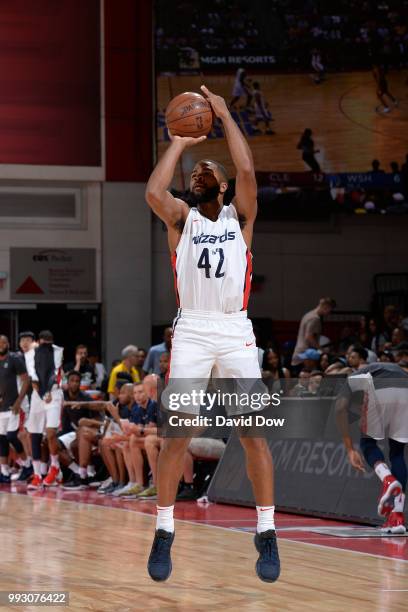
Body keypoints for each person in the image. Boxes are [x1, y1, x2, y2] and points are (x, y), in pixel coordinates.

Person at [145, 84, 280, 583]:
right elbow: (153, 193)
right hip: (194, 331)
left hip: (235, 331)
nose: (204, 171)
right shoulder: (180, 219)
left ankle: (266, 532)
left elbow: (246, 170)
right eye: (199, 171)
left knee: (253, 436)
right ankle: (164, 530)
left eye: (211, 171)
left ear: (221, 188)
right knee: (176, 434)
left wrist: (222, 115)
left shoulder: (239, 217)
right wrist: (180, 140)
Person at [336, 362, 408, 533]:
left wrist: (349, 450)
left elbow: (340, 409)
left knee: (367, 442)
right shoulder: (381, 369)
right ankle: (396, 519)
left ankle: (388, 480)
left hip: (381, 387)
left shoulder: (352, 380)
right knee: (397, 453)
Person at [25, 330, 64, 489]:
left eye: (50, 342)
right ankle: (37, 475)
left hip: (53, 393)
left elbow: (54, 374)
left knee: (51, 432)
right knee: (34, 434)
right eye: (44, 342)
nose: (47, 345)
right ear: (39, 341)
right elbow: (33, 376)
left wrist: (47, 392)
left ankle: (54, 466)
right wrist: (42, 393)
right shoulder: (30, 355)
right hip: (37, 395)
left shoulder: (58, 351)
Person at [0, 336, 30, 483]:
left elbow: (26, 379)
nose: (1, 345)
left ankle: (27, 464)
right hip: (1, 407)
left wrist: (19, 400)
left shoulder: (14, 358)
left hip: (14, 406)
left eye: (4, 342)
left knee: (12, 436)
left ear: (8, 344)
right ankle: (4, 471)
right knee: (2, 439)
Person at [292, 297, 336, 366]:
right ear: (326, 307)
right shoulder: (315, 318)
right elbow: (309, 337)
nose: (329, 313)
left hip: (301, 353)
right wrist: (321, 349)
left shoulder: (308, 314)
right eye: (330, 310)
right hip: (306, 356)